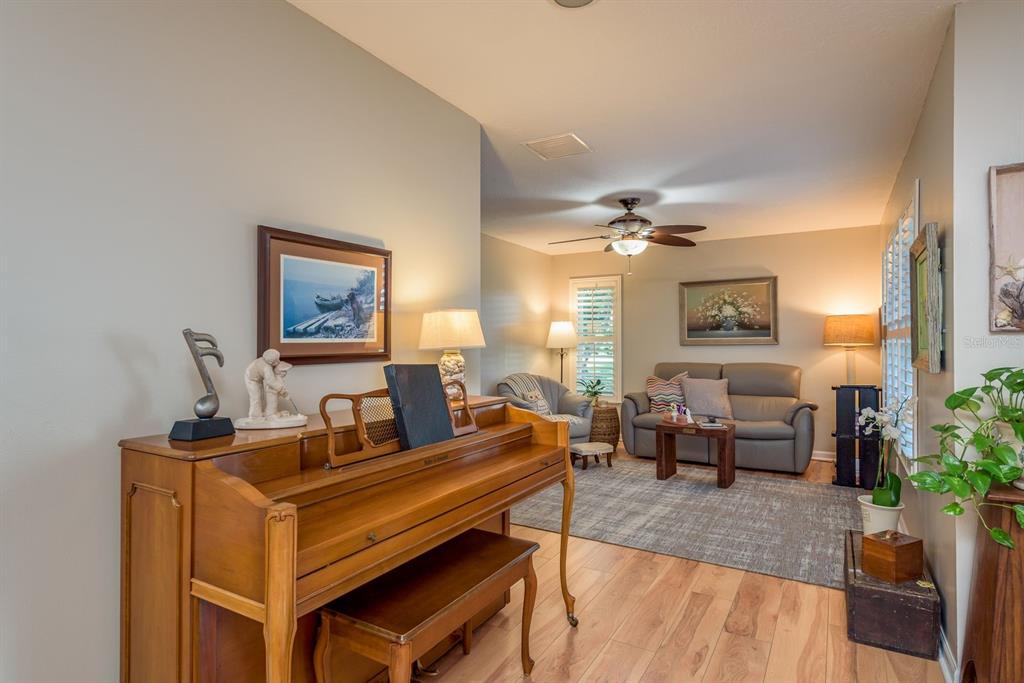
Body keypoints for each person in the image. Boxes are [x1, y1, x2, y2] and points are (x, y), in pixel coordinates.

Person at [244, 349, 291, 419]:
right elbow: (271, 381)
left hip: (258, 379)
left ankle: (261, 413)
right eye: (276, 361)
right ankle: (255, 416)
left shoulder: (266, 361)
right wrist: (281, 390)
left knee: (261, 396)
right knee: (255, 397)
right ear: (270, 362)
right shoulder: (267, 368)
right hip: (251, 379)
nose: (278, 362)